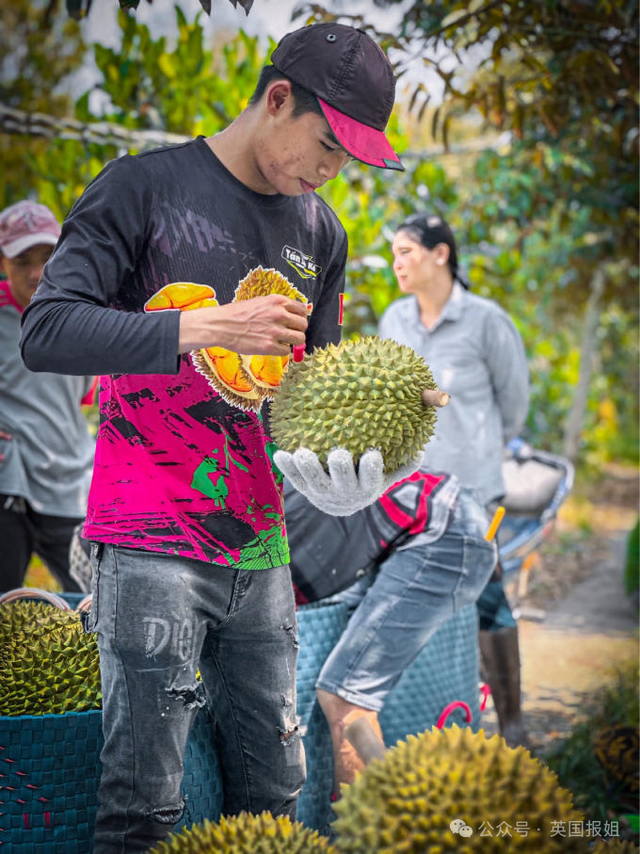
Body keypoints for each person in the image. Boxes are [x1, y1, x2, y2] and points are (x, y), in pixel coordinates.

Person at [20, 23, 413, 853]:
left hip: (260, 554)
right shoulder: (141, 188)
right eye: (327, 145)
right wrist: (201, 326)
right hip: (149, 538)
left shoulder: (321, 233)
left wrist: (337, 473)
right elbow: (48, 331)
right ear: (277, 100)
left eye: (349, 159)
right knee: (143, 806)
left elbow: (310, 399)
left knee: (275, 788)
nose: (331, 171)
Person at [379, 212, 531, 747]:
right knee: (417, 596)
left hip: (473, 490)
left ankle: (511, 722)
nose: (398, 263)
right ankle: (438, 717)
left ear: (440, 254)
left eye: (407, 251)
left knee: (487, 594)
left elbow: (514, 404)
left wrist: (479, 449)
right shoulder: (394, 320)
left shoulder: (487, 321)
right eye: (394, 254)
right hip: (408, 490)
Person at [283, 470, 497, 793]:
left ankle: (374, 830)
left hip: (443, 529)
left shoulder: (261, 539)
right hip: (443, 516)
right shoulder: (266, 488)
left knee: (344, 696)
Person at [0, 200, 96, 594]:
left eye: (47, 257)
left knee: (97, 600)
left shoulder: (82, 315)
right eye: (23, 260)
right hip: (10, 481)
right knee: (6, 603)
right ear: (4, 262)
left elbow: (85, 396)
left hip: (68, 480)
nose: (37, 273)